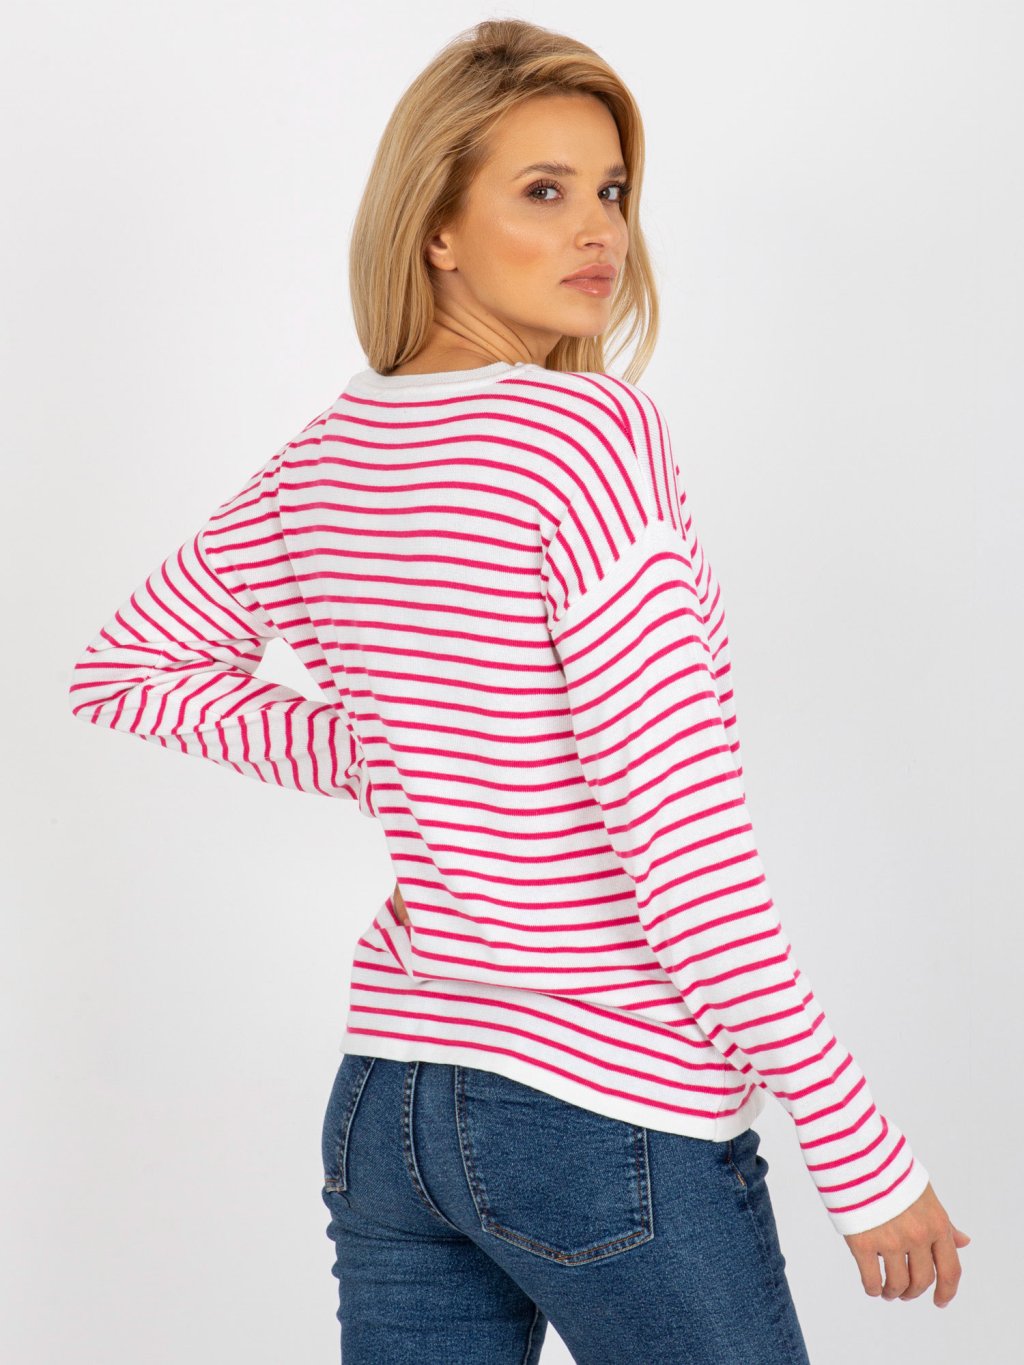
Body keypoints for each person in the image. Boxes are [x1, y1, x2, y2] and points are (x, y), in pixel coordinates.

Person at [67, 16, 969, 1364]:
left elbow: (128, 667)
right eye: (542, 191)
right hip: (605, 1110)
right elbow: (686, 854)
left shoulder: (326, 457)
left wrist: (405, 745)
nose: (598, 229)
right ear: (436, 226)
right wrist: (863, 1150)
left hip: (392, 1111)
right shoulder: (589, 438)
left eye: (610, 189)